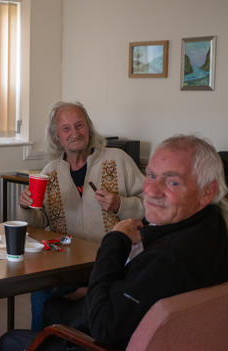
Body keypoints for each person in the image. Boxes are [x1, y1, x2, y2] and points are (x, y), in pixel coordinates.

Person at [0, 134, 228, 350]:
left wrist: (115, 240)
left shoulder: (166, 259)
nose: (151, 190)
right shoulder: (214, 228)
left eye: (172, 182)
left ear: (208, 191)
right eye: (150, 175)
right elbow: (145, 290)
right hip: (156, 326)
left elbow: (104, 327)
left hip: (114, 338)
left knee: (10, 340)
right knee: (53, 305)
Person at [18, 101, 145, 330]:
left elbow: (152, 206)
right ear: (57, 136)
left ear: (89, 128)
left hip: (112, 263)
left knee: (52, 296)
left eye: (80, 125)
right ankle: (43, 343)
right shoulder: (50, 172)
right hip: (66, 267)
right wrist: (26, 208)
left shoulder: (117, 160)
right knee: (40, 289)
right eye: (66, 129)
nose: (75, 133)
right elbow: (38, 224)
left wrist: (121, 204)